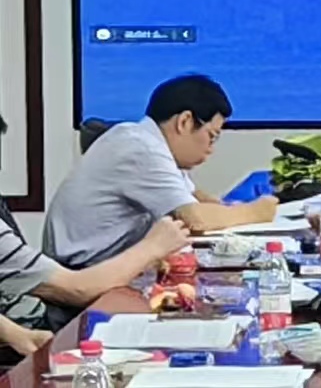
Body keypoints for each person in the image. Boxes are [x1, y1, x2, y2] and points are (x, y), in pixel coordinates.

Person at [0, 114, 189, 359]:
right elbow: (78, 289)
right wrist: (152, 247)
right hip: (48, 319)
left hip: (42, 316)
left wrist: (14, 333)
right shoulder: (136, 146)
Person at [44, 75, 278, 268]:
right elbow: (195, 219)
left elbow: (195, 198)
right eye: (212, 136)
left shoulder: (149, 143)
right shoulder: (140, 148)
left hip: (99, 268)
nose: (211, 149)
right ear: (185, 122)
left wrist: (228, 209)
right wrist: (255, 212)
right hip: (80, 277)